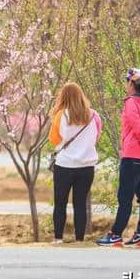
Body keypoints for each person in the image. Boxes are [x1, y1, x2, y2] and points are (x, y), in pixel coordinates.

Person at [97, 68, 140, 247]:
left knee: (125, 197)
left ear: (132, 85)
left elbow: (137, 128)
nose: (126, 85)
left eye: (127, 82)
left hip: (133, 156)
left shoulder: (131, 104)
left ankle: (116, 234)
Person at [49, 83, 101, 243]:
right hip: (86, 167)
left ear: (63, 97)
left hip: (64, 165)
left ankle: (58, 238)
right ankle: (79, 239)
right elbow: (96, 137)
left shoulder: (61, 116)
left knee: (60, 203)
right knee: (80, 204)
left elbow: (53, 139)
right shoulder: (94, 116)